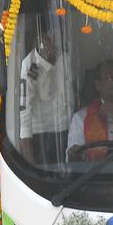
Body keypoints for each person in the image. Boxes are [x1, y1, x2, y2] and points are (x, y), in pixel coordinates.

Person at [19, 20, 74, 164]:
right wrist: (29, 164)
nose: (54, 44)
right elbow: (25, 115)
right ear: (40, 40)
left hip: (68, 131)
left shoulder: (66, 58)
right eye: (49, 39)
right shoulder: (30, 67)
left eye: (57, 39)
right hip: (42, 136)